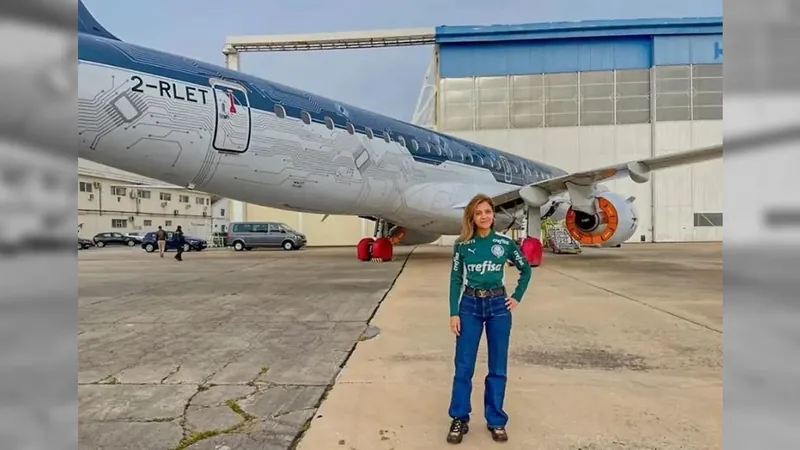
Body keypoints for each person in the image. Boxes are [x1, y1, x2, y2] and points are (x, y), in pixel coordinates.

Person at [446, 193, 532, 444]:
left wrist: (516, 296)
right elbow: (455, 280)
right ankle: (459, 417)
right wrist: (454, 312)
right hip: (469, 306)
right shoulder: (462, 246)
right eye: (479, 213)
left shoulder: (504, 244)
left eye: (488, 212)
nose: (484, 216)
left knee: (497, 365)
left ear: (493, 215)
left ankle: (495, 419)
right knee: (463, 365)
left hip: (498, 307)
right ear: (471, 217)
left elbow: (525, 269)